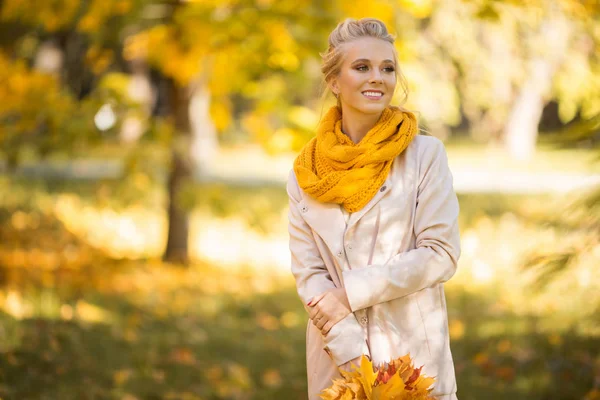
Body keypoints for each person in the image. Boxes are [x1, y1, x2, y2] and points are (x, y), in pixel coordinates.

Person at [286, 17, 461, 400]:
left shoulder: (424, 156)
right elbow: (310, 274)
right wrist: (354, 361)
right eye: (362, 67)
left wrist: (352, 292)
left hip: (414, 360)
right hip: (336, 361)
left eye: (387, 68)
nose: (377, 78)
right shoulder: (307, 171)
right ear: (334, 81)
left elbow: (440, 254)